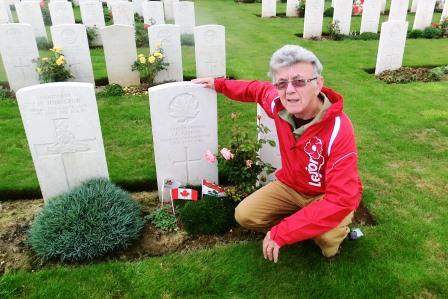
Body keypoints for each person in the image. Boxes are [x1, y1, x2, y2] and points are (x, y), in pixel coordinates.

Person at [192, 45, 362, 262]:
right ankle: (303, 224)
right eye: (282, 83)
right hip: (290, 186)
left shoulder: (339, 129)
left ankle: (330, 231)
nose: (289, 90)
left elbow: (340, 199)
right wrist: (219, 84)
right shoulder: (278, 103)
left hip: (326, 194)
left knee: (327, 239)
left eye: (299, 81)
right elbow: (256, 90)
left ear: (318, 84)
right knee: (244, 215)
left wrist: (282, 233)